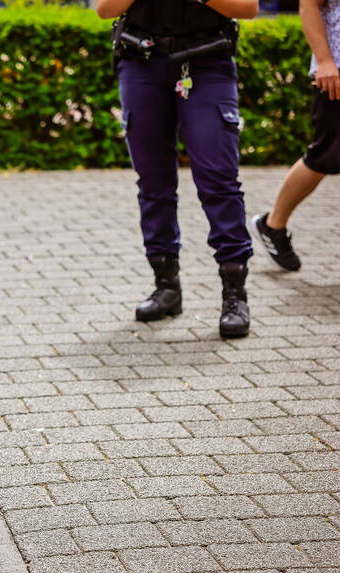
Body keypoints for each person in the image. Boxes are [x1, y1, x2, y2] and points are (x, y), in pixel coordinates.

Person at [96, 0, 259, 338]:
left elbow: (247, 7)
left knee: (218, 179)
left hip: (207, 62)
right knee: (154, 182)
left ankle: (234, 296)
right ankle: (166, 287)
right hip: (142, 62)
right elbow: (104, 8)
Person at [252, 0, 339, 272]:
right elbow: (309, 5)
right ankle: (273, 224)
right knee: (325, 156)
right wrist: (325, 61)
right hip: (336, 74)